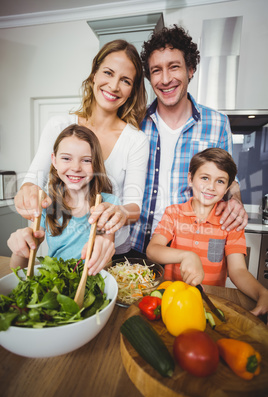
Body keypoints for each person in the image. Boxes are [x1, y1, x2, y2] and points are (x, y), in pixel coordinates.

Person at [14, 39, 149, 255]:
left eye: (125, 80)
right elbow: (33, 181)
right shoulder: (58, 126)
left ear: (133, 90)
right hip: (63, 252)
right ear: (94, 74)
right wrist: (27, 192)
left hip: (112, 253)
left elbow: (134, 207)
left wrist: (119, 212)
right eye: (108, 73)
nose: (114, 86)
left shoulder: (136, 140)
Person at [129, 25, 248, 257]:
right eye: (156, 70)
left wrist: (235, 200)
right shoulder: (134, 121)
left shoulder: (217, 123)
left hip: (187, 250)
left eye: (174, 67)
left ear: (191, 69)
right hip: (134, 245)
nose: (165, 79)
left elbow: (229, 180)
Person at [146, 148, 268, 317]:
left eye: (220, 181)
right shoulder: (173, 213)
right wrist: (186, 256)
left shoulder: (230, 222)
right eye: (204, 178)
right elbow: (152, 250)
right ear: (190, 179)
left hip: (210, 301)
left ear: (227, 188)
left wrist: (262, 293)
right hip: (172, 298)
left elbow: (238, 270)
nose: (211, 187)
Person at [8, 124, 118, 275]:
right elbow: (17, 270)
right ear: (54, 160)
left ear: (96, 164)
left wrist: (100, 246)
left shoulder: (109, 203)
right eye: (66, 158)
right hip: (54, 282)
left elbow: (106, 260)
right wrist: (21, 248)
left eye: (86, 160)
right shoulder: (46, 203)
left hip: (93, 279)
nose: (76, 167)